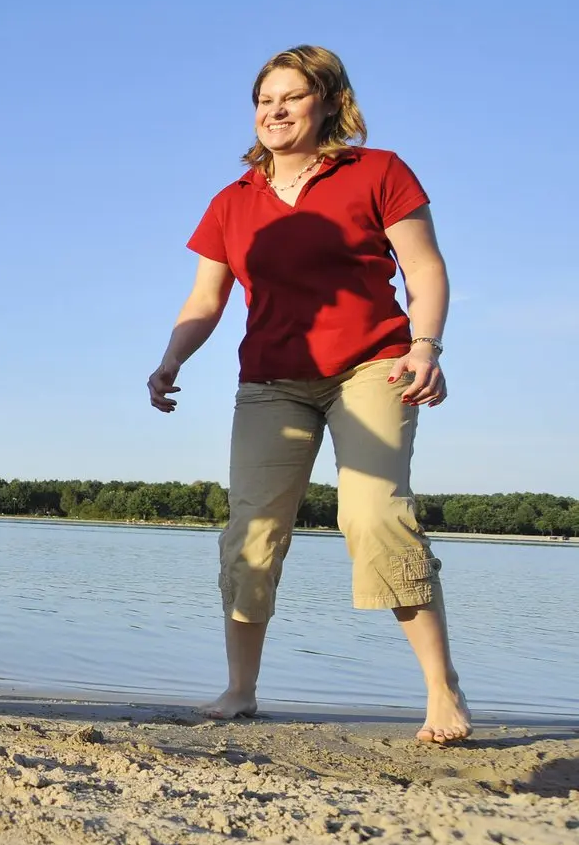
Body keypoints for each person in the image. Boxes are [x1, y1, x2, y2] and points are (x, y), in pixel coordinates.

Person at [147, 45, 470, 744]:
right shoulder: (231, 202)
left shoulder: (377, 171)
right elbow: (206, 298)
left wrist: (426, 346)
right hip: (270, 380)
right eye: (264, 100)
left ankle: (442, 691)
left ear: (327, 100)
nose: (275, 111)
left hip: (372, 365)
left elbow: (425, 268)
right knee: (251, 532)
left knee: (375, 516)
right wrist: (171, 359)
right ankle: (240, 690)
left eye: (291, 97)